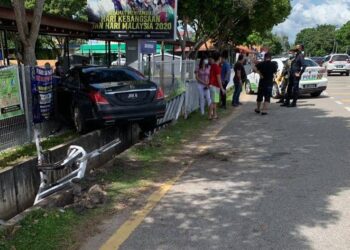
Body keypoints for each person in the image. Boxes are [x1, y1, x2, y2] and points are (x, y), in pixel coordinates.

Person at [209, 51, 225, 120]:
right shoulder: (217, 67)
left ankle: (213, 115)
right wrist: (222, 88)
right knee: (214, 102)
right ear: (219, 58)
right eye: (221, 57)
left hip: (212, 86)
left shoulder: (213, 65)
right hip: (215, 86)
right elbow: (219, 79)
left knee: (214, 101)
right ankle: (211, 115)